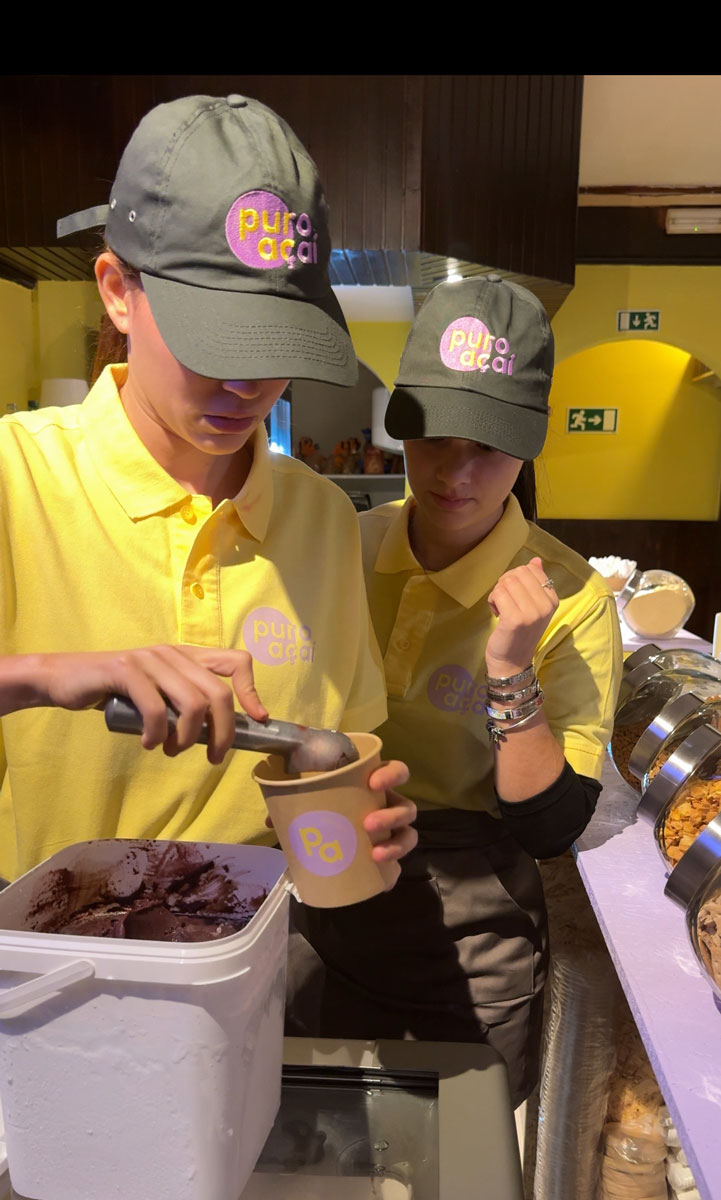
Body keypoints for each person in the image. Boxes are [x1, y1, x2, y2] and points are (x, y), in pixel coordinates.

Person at [0, 93, 416, 884]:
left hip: (261, 925)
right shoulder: (15, 478)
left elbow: (340, 744)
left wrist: (365, 811)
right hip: (51, 934)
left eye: (276, 342)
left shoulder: (321, 515)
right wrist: (47, 674)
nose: (248, 384)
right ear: (117, 291)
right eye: (214, 341)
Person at [288, 276, 623, 1107]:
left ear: (527, 447)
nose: (455, 472)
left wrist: (509, 666)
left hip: (471, 930)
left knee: (457, 1147)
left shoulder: (570, 597)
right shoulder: (340, 547)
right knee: (312, 1129)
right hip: (321, 890)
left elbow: (550, 826)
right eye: (434, 435)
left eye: (490, 446)